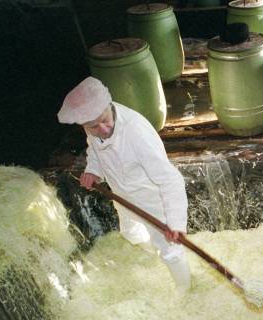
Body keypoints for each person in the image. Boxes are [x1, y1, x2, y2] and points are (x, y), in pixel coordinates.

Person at [57, 77, 191, 292]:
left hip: (152, 200)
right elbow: (95, 150)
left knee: (171, 250)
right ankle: (150, 251)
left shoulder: (136, 133)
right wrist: (93, 171)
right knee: (130, 232)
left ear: (109, 105)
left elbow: (170, 180)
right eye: (93, 126)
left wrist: (175, 223)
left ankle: (185, 290)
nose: (102, 128)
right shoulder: (93, 125)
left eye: (105, 120)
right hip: (122, 194)